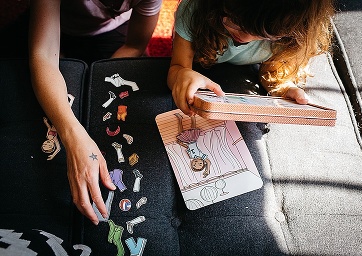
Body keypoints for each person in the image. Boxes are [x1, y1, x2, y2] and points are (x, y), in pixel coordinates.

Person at [28, 0, 162, 225]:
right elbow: (43, 56)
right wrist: (73, 135)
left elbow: (136, 44)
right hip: (57, 23)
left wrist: (99, 83)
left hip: (111, 34)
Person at [167, 0, 335, 116]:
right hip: (201, 53)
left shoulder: (292, 32)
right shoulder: (194, 10)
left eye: (264, 35)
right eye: (234, 22)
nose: (245, 38)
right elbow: (178, 67)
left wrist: (282, 87)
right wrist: (182, 74)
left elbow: (274, 69)